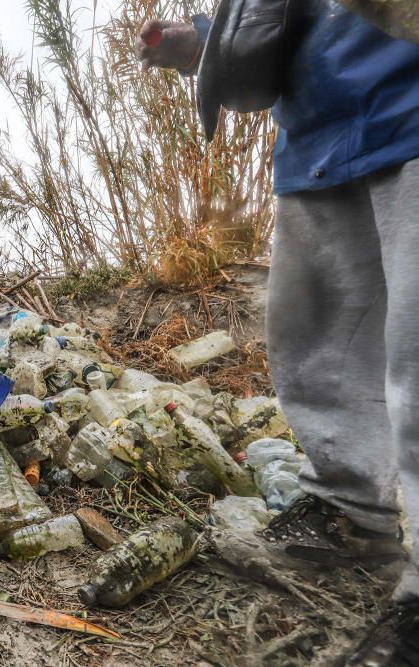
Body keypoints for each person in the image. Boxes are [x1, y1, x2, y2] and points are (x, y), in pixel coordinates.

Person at [135, 3, 419, 664]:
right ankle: (350, 514)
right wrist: (208, 42)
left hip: (410, 105)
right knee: (317, 351)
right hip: (318, 136)